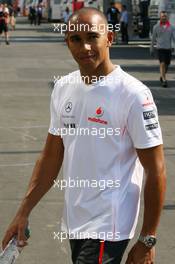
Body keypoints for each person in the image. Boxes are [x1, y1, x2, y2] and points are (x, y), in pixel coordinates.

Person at [2, 7, 166, 264]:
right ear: (67, 42)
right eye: (76, 39)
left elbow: (156, 170)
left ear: (109, 39)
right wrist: (23, 212)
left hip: (108, 227)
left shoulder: (133, 94)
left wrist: (148, 239)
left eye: (92, 37)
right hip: (76, 221)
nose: (85, 47)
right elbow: (51, 158)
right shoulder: (64, 88)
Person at [150, 11, 175, 88]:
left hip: (168, 48)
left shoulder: (171, 27)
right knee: (162, 63)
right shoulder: (156, 27)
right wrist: (151, 48)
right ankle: (164, 80)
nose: (164, 18)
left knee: (167, 64)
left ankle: (162, 75)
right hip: (160, 48)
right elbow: (153, 39)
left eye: (165, 16)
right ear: (160, 17)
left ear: (167, 18)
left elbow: (174, 38)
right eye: (162, 16)